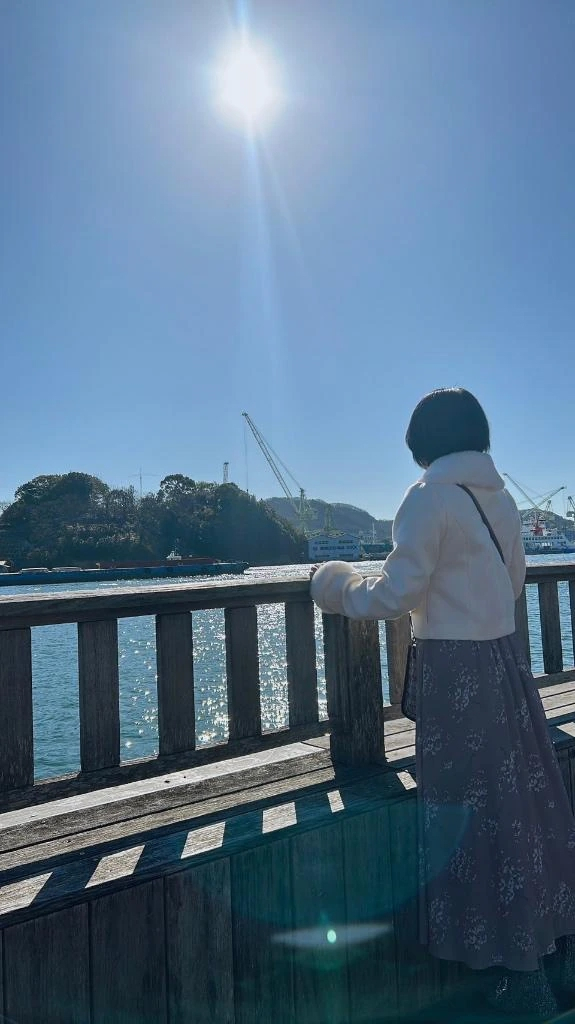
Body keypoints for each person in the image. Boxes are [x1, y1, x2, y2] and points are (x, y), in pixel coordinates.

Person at [310, 387, 575, 1017]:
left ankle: (512, 973)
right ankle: (550, 950)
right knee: (521, 805)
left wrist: (333, 585)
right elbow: (514, 582)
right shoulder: (500, 498)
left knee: (465, 815)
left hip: (455, 672)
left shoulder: (427, 496)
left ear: (423, 443)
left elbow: (394, 594)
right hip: (504, 664)